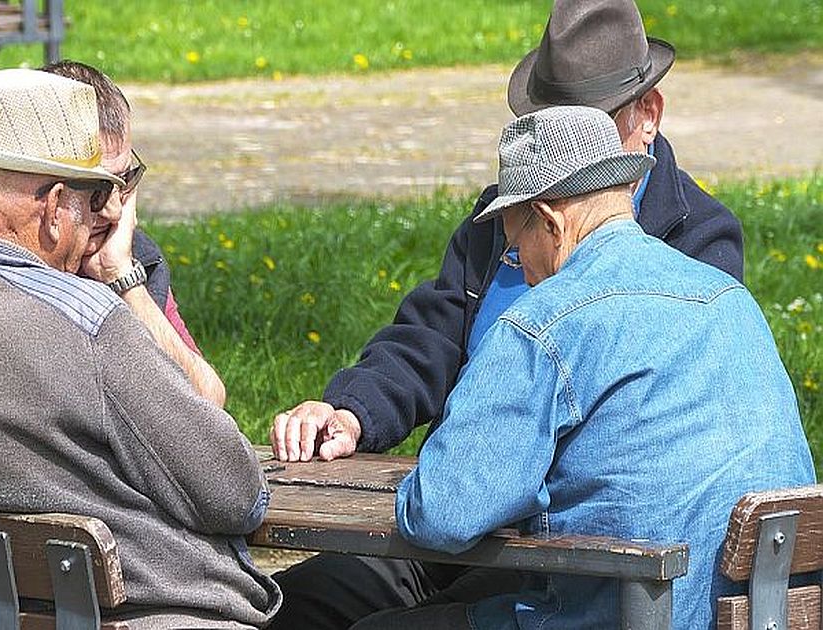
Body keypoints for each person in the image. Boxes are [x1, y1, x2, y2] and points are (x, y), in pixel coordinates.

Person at [268, 1, 745, 627]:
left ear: (647, 115)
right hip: (482, 512)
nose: (560, 148)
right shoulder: (514, 213)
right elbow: (433, 330)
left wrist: (476, 480)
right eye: (547, 123)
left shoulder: (694, 243)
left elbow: (660, 451)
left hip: (579, 547)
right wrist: (355, 410)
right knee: (293, 603)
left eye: (586, 124)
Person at [354, 105, 815, 628]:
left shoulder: (544, 324)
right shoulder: (730, 300)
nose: (518, 266)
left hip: (625, 613)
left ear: (550, 223)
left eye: (514, 246)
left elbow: (441, 513)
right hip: (763, 614)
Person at [0, 68, 280, 628]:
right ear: (55, 206)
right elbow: (236, 490)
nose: (111, 215)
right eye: (96, 197)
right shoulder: (90, 322)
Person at [0, 60, 224, 505]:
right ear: (54, 196)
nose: (111, 210)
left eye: (125, 182)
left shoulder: (123, 256)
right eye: (95, 189)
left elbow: (207, 421)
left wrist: (123, 282)